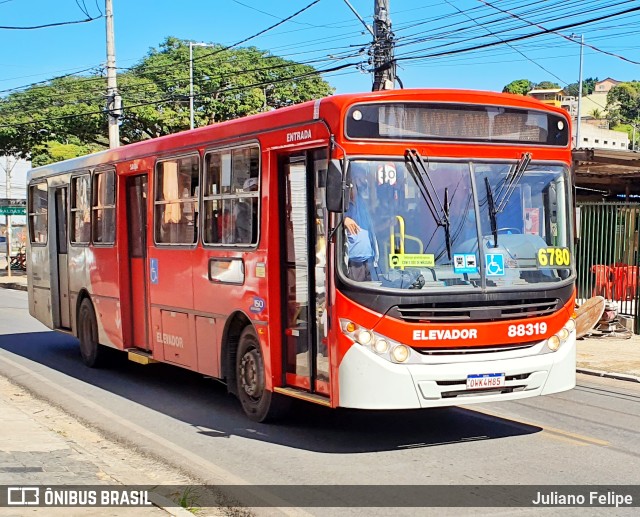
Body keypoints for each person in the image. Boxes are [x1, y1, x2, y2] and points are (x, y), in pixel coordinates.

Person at [344, 165, 378, 281]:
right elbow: (328, 220)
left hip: (368, 258)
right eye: (359, 179)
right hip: (353, 261)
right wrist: (344, 220)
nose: (362, 183)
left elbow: (369, 227)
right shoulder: (342, 204)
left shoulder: (361, 202)